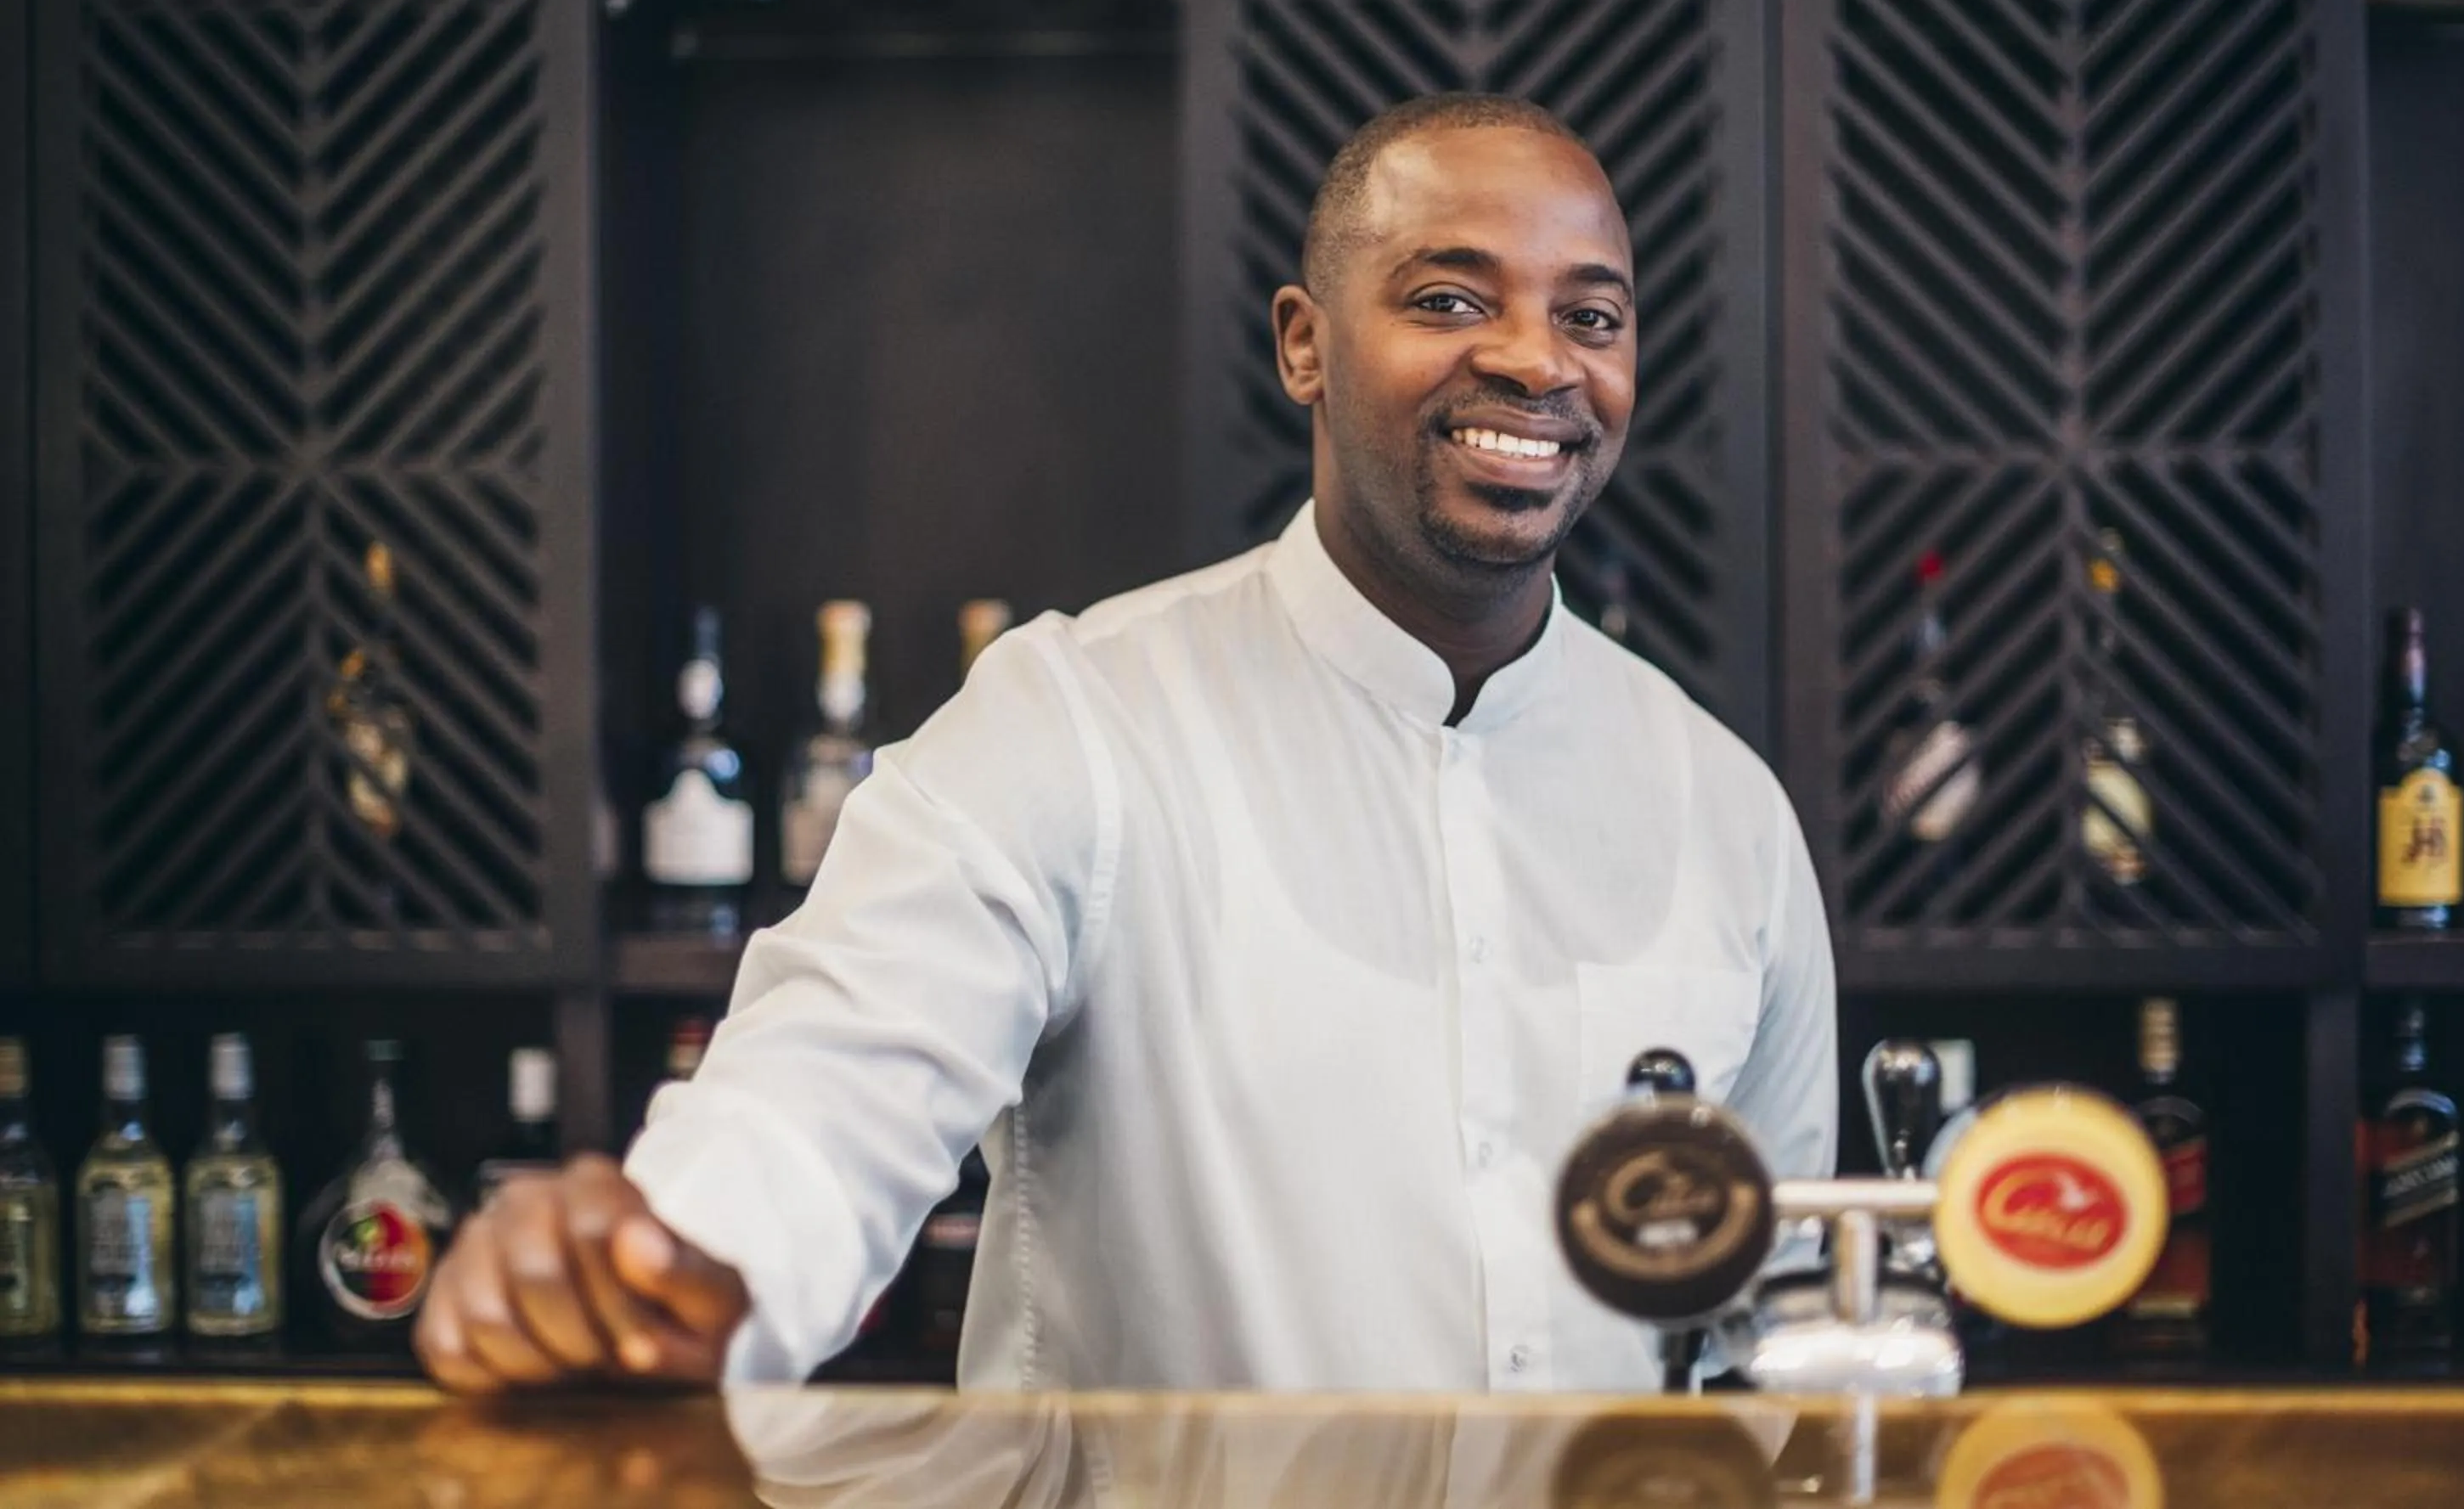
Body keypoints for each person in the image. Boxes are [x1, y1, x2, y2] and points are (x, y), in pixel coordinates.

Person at [416, 93, 1836, 1394]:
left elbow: (1778, 1316)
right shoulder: (1074, 724)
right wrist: (679, 1268)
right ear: (1306, 343)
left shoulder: (1722, 809)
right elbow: (836, 1080)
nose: (1536, 360)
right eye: (1450, 296)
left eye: (1593, 318)